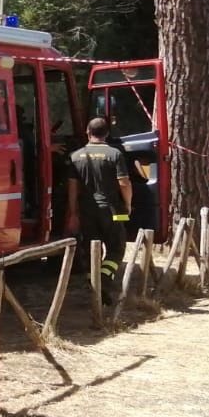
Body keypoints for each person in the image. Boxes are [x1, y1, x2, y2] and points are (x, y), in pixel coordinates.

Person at [67, 116, 132, 304]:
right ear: (107, 134)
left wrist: (73, 213)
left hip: (86, 210)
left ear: (88, 132)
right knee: (117, 248)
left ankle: (94, 285)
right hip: (114, 209)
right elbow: (124, 183)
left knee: (90, 249)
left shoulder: (75, 156)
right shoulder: (115, 154)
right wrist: (127, 203)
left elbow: (72, 187)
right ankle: (103, 280)